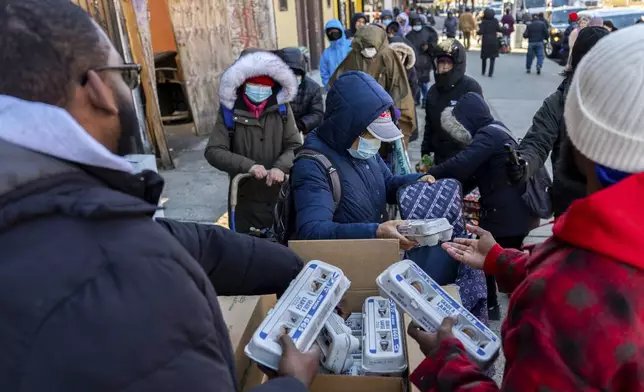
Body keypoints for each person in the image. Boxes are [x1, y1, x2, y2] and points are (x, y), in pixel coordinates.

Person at [0, 0, 316, 390]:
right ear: (98, 87)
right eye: (127, 75)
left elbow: (188, 243)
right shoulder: (130, 276)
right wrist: (293, 383)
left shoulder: (50, 206)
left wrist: (293, 267)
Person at [409, 26, 644, 391]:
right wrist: (503, 261)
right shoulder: (598, 254)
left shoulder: (558, 304)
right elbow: (533, 146)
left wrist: (446, 360)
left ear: (578, 142)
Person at [426, 92, 536, 320]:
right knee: (507, 260)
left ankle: (494, 308)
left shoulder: (488, 135)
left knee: (489, 259)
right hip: (517, 213)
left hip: (504, 216)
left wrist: (429, 175)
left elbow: (461, 163)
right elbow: (476, 173)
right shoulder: (498, 129)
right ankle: (511, 305)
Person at [291, 71, 433, 246]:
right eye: (372, 134)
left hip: (372, 252)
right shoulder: (312, 166)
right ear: (349, 126)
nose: (377, 142)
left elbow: (386, 184)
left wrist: (417, 182)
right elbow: (312, 232)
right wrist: (375, 232)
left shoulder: (361, 149)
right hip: (345, 263)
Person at [508, 27, 610, 217]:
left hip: (615, 207)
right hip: (570, 207)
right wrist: (523, 163)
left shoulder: (626, 100)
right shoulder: (559, 102)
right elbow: (537, 142)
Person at [205, 50, 301, 233]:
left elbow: (295, 145)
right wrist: (248, 166)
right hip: (244, 198)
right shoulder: (229, 111)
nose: (259, 90)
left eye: (265, 86)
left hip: (279, 196)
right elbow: (214, 150)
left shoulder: (281, 108)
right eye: (253, 84)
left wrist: (281, 167)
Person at [330, 25, 416, 146]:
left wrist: (396, 117)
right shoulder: (353, 57)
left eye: (370, 46)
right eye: (363, 46)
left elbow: (400, 91)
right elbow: (339, 86)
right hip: (356, 124)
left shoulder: (389, 57)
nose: (367, 51)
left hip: (385, 121)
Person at [422, 39, 483, 165]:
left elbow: (481, 124)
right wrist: (426, 150)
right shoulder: (433, 92)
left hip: (464, 155)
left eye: (448, 63)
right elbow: (429, 125)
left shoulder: (470, 88)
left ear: (457, 65)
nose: (444, 66)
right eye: (441, 62)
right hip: (439, 156)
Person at [276, 48, 324, 136]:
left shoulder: (313, 88)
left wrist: (301, 124)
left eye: (296, 73)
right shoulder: (275, 87)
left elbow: (317, 114)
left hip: (304, 132)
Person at [405, 13, 439, 106]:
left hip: (425, 61)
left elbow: (434, 44)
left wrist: (428, 47)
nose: (417, 26)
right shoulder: (409, 36)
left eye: (418, 23)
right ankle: (417, 99)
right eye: (415, 24)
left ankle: (425, 99)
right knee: (416, 82)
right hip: (414, 62)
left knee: (424, 83)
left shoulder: (428, 32)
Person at [320, 19, 352, 90]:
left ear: (341, 31)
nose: (333, 33)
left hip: (352, 87)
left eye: (335, 31)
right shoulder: (326, 53)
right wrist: (329, 87)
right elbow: (324, 73)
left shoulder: (350, 45)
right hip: (335, 90)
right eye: (330, 32)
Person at [478, 8, 502, 77]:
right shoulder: (495, 21)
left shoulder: (484, 21)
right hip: (493, 41)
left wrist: (477, 32)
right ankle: (490, 73)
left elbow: (481, 31)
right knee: (492, 58)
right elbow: (499, 29)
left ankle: (483, 71)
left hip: (485, 41)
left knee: (484, 58)